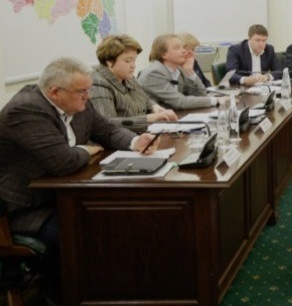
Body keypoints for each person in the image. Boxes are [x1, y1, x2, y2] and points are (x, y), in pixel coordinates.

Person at [0, 58, 156, 297]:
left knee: (117, 220)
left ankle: (119, 290)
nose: (88, 96)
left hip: (61, 195)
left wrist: (135, 141)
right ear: (55, 92)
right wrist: (85, 149)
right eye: (82, 92)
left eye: (88, 90)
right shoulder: (26, 110)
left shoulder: (78, 100)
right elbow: (63, 162)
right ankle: (69, 295)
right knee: (89, 234)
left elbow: (107, 130)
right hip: (24, 208)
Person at [90, 35, 178, 131]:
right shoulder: (98, 83)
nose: (133, 65)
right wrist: (149, 119)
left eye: (134, 60)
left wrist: (155, 107)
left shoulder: (128, 77)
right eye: (128, 61)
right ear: (109, 62)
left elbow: (144, 99)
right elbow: (107, 122)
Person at [139, 34, 225, 110]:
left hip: (174, 117)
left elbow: (202, 94)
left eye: (182, 47)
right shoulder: (154, 73)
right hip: (154, 121)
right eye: (177, 48)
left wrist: (190, 72)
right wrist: (215, 100)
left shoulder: (178, 70)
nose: (184, 51)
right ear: (163, 54)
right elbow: (179, 102)